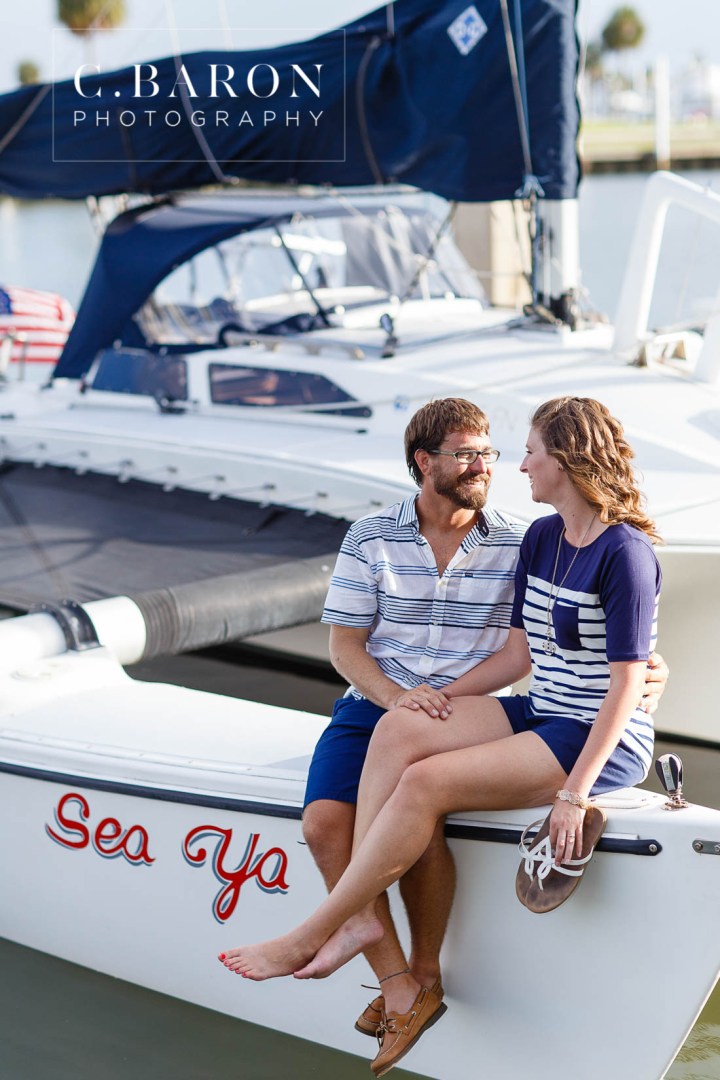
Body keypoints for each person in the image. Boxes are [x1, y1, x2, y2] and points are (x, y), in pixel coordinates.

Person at [219, 396, 665, 1075]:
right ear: (424, 463)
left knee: (423, 783)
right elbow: (520, 656)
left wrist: (575, 792)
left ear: (567, 460)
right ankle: (365, 919)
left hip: (585, 733)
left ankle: (321, 929)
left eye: (523, 453)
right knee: (392, 744)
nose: (509, 466)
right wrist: (422, 705)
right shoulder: (541, 539)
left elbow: (628, 672)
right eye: (473, 453)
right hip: (511, 705)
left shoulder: (607, 550)